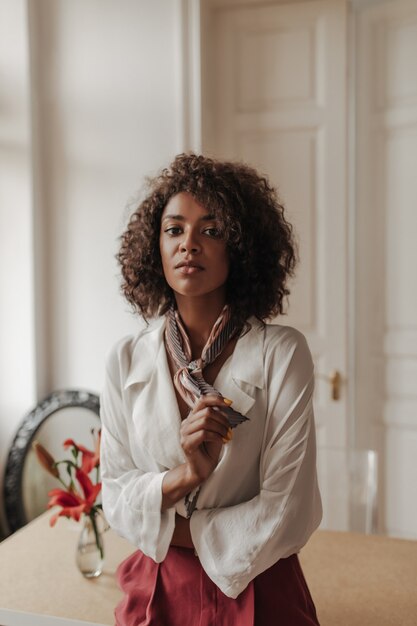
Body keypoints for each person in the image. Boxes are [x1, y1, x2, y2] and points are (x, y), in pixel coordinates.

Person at [100, 153, 322, 626]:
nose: (189, 245)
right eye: (174, 229)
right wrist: (185, 477)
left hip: (260, 585)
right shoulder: (124, 360)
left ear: (241, 247)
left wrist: (164, 524)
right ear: (154, 247)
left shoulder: (284, 354)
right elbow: (115, 497)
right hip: (156, 588)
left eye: (212, 230)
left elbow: (289, 511)